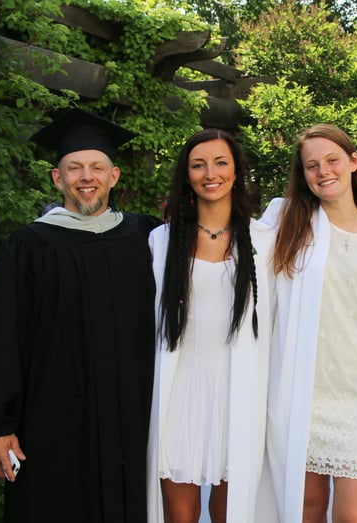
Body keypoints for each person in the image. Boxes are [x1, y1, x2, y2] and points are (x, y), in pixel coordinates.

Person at [0, 108, 161, 523]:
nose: (87, 177)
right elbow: (2, 336)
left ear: (114, 176)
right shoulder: (29, 246)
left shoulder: (146, 238)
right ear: (57, 178)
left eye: (97, 167)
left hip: (135, 423)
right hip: (53, 424)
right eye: (75, 168)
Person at [260, 124, 357, 522]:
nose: (323, 171)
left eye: (332, 160)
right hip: (303, 394)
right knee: (303, 509)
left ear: (354, 162)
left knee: (356, 515)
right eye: (312, 165)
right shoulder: (285, 221)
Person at [145, 128, 276, 523]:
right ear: (186, 175)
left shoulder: (264, 241)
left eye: (221, 162)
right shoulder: (161, 241)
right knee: (178, 515)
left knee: (230, 512)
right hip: (178, 390)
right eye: (198, 165)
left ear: (237, 172)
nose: (210, 173)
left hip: (239, 390)